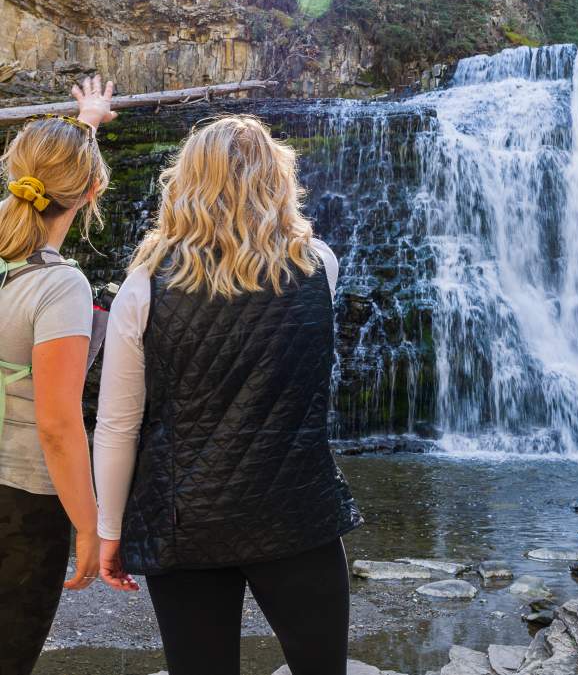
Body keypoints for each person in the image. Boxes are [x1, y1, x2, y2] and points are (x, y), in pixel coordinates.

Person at [94, 114, 363, 675]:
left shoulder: (144, 285)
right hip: (298, 513)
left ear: (186, 181)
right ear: (277, 179)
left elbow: (119, 424)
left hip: (184, 521)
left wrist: (110, 531)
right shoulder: (319, 266)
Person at [0, 78, 118, 675]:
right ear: (95, 189)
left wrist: (84, 124)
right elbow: (57, 426)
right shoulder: (60, 285)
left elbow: (47, 179)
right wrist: (90, 523)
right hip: (19, 502)